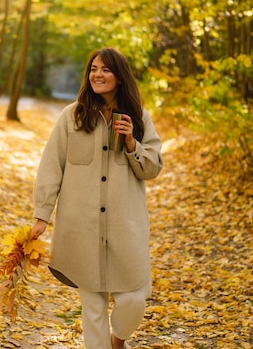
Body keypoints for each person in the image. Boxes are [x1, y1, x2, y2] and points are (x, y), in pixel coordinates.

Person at [31, 47, 164, 349]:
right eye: (93, 69)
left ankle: (119, 338)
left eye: (105, 69)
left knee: (134, 299)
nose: (97, 75)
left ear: (119, 77)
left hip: (124, 227)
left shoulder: (139, 117)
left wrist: (132, 142)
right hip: (82, 228)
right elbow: (51, 167)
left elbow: (153, 167)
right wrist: (42, 216)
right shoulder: (72, 117)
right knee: (92, 311)